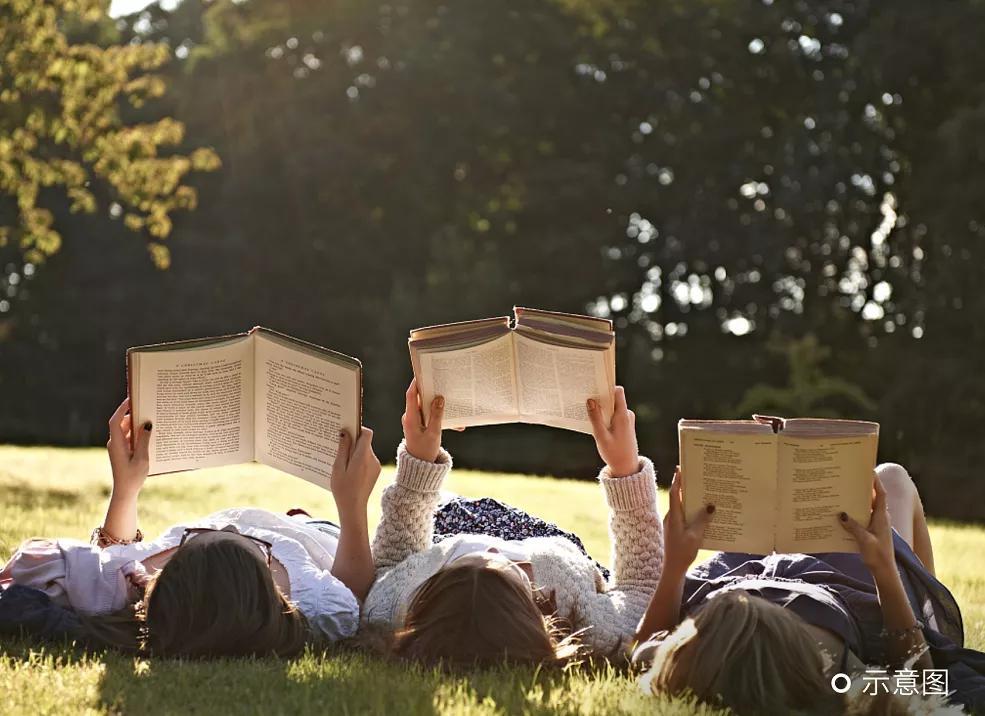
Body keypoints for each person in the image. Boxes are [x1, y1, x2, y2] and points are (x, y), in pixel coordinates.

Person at [0, 398, 381, 658]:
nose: (231, 526)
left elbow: (108, 555)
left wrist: (127, 488)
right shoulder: (317, 602)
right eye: (255, 547)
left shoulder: (127, 584)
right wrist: (352, 507)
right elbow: (356, 593)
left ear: (163, 576)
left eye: (185, 543)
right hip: (322, 531)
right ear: (268, 578)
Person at [634, 462, 985, 714]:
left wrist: (676, 564)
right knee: (890, 477)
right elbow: (921, 678)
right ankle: (932, 622)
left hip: (743, 570)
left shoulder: (694, 661)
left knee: (776, 484)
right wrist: (884, 569)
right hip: (843, 582)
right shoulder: (835, 673)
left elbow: (640, 649)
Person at [360, 379, 664, 666]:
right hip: (549, 541)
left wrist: (419, 458)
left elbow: (392, 559)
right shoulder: (589, 626)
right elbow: (640, 588)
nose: (493, 551)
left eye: (463, 565)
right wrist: (624, 468)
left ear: (427, 596)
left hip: (452, 523)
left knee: (448, 510)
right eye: (513, 573)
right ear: (534, 610)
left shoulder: (393, 607)